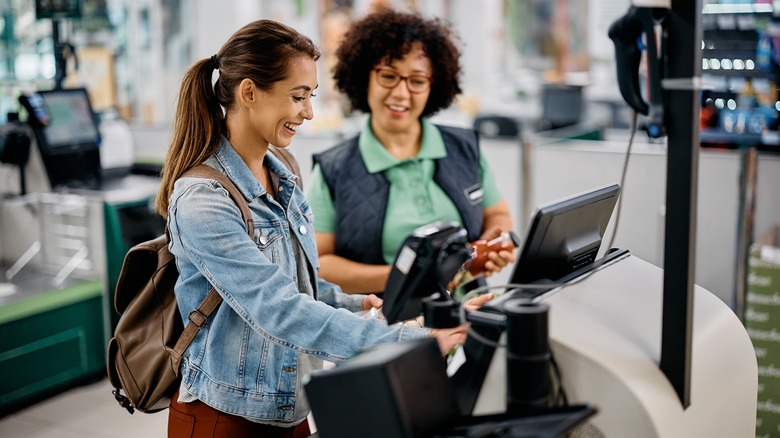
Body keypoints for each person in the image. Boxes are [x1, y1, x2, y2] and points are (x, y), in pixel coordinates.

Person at [156, 19, 481, 438]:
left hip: (292, 407)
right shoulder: (203, 199)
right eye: (298, 96)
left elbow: (299, 284)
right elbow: (275, 308)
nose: (308, 112)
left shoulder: (284, 171)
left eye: (310, 96)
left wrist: (352, 303)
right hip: (226, 416)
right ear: (250, 92)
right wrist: (405, 340)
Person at [307, 9, 516, 295]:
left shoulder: (464, 149)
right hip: (386, 329)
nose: (401, 94)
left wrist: (493, 244)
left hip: (471, 319)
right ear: (363, 76)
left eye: (417, 81)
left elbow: (498, 215)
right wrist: (409, 276)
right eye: (388, 76)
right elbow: (319, 264)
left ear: (435, 84)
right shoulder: (334, 171)